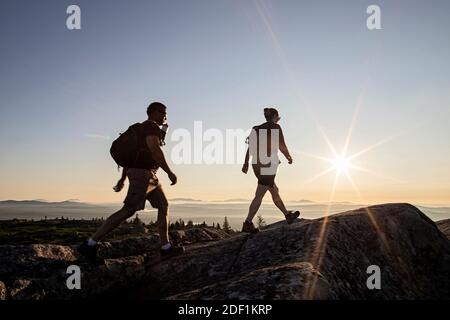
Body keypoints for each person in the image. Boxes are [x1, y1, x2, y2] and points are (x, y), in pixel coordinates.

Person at [78, 102, 184, 261]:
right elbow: (155, 150)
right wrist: (169, 172)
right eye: (162, 112)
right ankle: (90, 244)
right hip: (143, 175)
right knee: (128, 210)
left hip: (149, 176)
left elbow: (134, 158)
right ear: (153, 112)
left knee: (163, 205)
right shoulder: (150, 127)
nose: (165, 116)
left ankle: (166, 247)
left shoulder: (141, 129)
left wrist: (122, 179)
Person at [241, 107, 300, 233]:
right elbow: (281, 145)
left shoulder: (256, 128)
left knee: (274, 190)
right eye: (277, 117)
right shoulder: (275, 127)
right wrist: (288, 156)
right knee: (260, 194)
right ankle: (248, 222)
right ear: (274, 116)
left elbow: (250, 148)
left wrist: (245, 163)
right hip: (268, 164)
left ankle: (287, 215)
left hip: (256, 164)